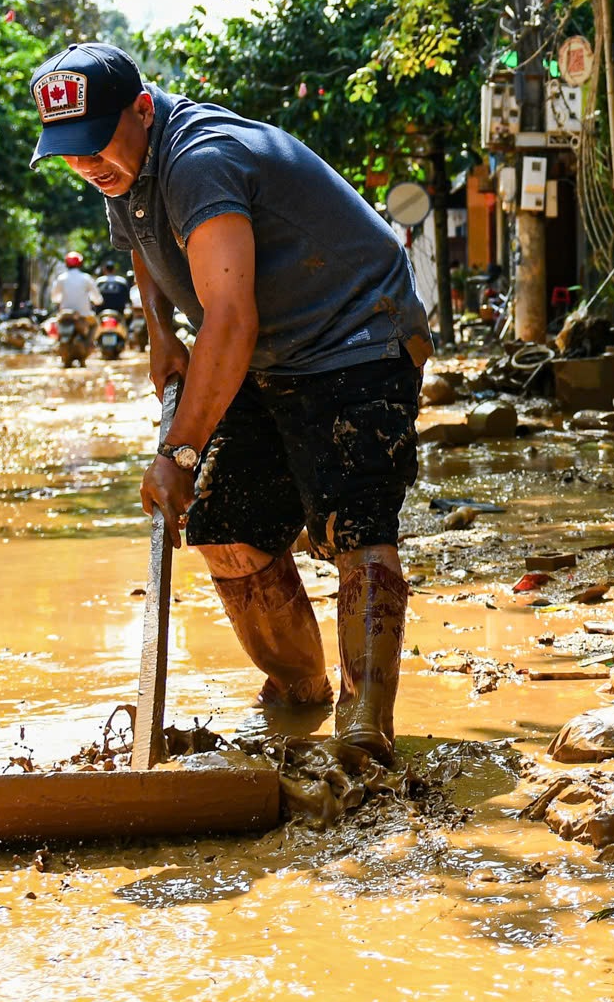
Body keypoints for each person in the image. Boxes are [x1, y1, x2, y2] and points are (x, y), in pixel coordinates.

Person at [27, 41, 431, 771]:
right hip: (267, 351)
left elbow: (232, 319)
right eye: (69, 152)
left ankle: (365, 733)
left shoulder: (200, 161)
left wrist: (179, 451)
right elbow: (141, 246)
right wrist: (158, 331)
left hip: (356, 335)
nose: (86, 166)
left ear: (143, 112)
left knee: (355, 526)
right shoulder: (123, 170)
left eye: (95, 146)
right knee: (226, 531)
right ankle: (300, 692)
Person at [45, 251, 100, 339]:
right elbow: (97, 297)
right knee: (95, 324)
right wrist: (97, 301)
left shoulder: (61, 278)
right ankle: (90, 344)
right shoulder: (86, 278)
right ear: (80, 264)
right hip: (83, 315)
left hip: (64, 315)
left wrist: (59, 300)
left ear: (66, 264)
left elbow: (54, 297)